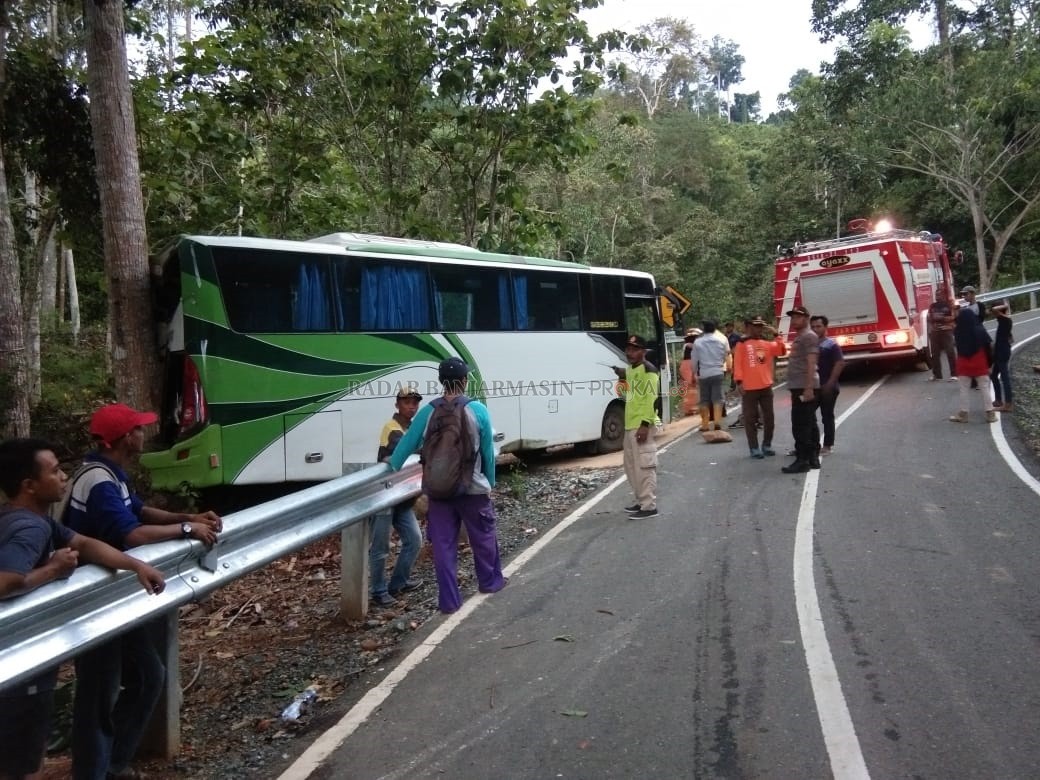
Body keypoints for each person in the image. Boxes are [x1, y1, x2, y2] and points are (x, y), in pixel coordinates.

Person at [64, 403, 222, 780]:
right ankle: (93, 771)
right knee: (99, 693)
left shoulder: (111, 474)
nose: (143, 433)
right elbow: (130, 534)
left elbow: (140, 512)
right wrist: (186, 531)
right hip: (91, 600)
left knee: (149, 674)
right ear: (123, 438)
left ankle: (113, 763)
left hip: (115, 592)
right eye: (137, 429)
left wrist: (187, 518)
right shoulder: (98, 481)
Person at [0, 438, 165, 780]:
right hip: (17, 662)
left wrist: (135, 566)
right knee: (22, 765)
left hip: (23, 658)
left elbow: (84, 543)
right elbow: (4, 583)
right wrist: (53, 570)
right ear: (29, 485)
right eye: (55, 470)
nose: (64, 477)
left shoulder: (31, 519)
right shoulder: (29, 528)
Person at [388, 357, 506, 614]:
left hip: (438, 490)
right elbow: (487, 453)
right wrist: (491, 482)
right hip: (472, 489)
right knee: (483, 538)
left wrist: (391, 466)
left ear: (442, 382)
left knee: (443, 547)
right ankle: (490, 582)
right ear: (464, 381)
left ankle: (449, 601)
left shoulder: (427, 412)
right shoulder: (478, 410)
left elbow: (405, 446)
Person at [370, 386, 425, 608]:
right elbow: (404, 451)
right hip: (385, 495)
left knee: (414, 540)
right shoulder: (391, 428)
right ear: (397, 405)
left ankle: (398, 583)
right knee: (380, 548)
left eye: (414, 402)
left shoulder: (411, 428)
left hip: (402, 497)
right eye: (406, 402)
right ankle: (379, 590)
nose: (411, 406)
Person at [612, 335, 660, 519]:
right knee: (631, 466)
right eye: (628, 349)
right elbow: (629, 378)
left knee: (644, 466)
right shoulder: (633, 369)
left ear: (643, 352)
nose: (630, 353)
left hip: (642, 424)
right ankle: (641, 500)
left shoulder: (649, 370)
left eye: (635, 349)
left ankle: (649, 506)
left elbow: (652, 400)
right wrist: (621, 373)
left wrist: (645, 425)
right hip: (630, 424)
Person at [732, 317, 786, 458]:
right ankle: (754, 448)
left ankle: (767, 445)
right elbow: (737, 364)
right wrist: (739, 382)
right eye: (756, 326)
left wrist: (776, 335)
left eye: (761, 326)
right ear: (748, 326)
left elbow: (781, 351)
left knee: (769, 418)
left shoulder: (766, 344)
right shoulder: (741, 344)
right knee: (750, 418)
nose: (759, 329)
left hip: (766, 386)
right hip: (749, 388)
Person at [782, 306, 821, 474]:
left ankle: (802, 460)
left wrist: (808, 388)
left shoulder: (809, 337)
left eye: (797, 317)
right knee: (809, 423)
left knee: (800, 425)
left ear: (806, 318)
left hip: (803, 387)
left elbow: (811, 363)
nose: (794, 320)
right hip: (800, 386)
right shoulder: (802, 337)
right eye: (792, 317)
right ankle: (812, 458)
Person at [949, 309, 996, 423]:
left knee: (964, 389)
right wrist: (989, 364)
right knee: (984, 387)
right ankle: (990, 413)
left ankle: (964, 414)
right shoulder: (980, 330)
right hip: (979, 361)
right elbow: (988, 348)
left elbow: (957, 346)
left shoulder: (958, 331)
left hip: (963, 362)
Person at [810, 315, 846, 454]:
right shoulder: (809, 344)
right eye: (812, 327)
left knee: (827, 416)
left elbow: (840, 363)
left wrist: (830, 383)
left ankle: (827, 445)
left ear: (825, 327)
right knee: (807, 415)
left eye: (818, 326)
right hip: (813, 387)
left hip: (827, 388)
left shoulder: (831, 345)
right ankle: (811, 444)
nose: (815, 329)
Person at [692, 320, 730, 432]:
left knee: (704, 399)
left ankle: (705, 424)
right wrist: (720, 365)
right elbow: (726, 355)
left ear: (704, 329)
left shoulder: (698, 342)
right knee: (717, 398)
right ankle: (717, 422)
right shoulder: (722, 339)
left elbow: (694, 359)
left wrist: (694, 372)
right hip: (717, 372)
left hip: (704, 373)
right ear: (715, 328)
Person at [927, 294, 957, 381]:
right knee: (934, 353)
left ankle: (954, 374)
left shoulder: (948, 305)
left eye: (939, 294)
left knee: (950, 352)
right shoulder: (932, 306)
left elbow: (953, 316)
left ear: (943, 296)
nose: (938, 296)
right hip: (935, 331)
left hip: (946, 330)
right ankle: (937, 375)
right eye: (936, 294)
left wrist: (942, 318)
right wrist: (935, 319)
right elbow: (929, 317)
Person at [990, 303, 1013, 412]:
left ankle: (1008, 404)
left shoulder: (1006, 320)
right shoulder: (1002, 321)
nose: (994, 314)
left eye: (995, 313)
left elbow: (996, 309)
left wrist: (998, 308)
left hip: (1002, 352)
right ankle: (998, 399)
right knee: (994, 375)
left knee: (1004, 378)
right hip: (1000, 351)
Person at [678, 328, 701, 417]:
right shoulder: (688, 345)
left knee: (692, 387)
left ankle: (691, 408)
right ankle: (689, 408)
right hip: (688, 366)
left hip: (689, 365)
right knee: (690, 387)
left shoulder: (691, 345)